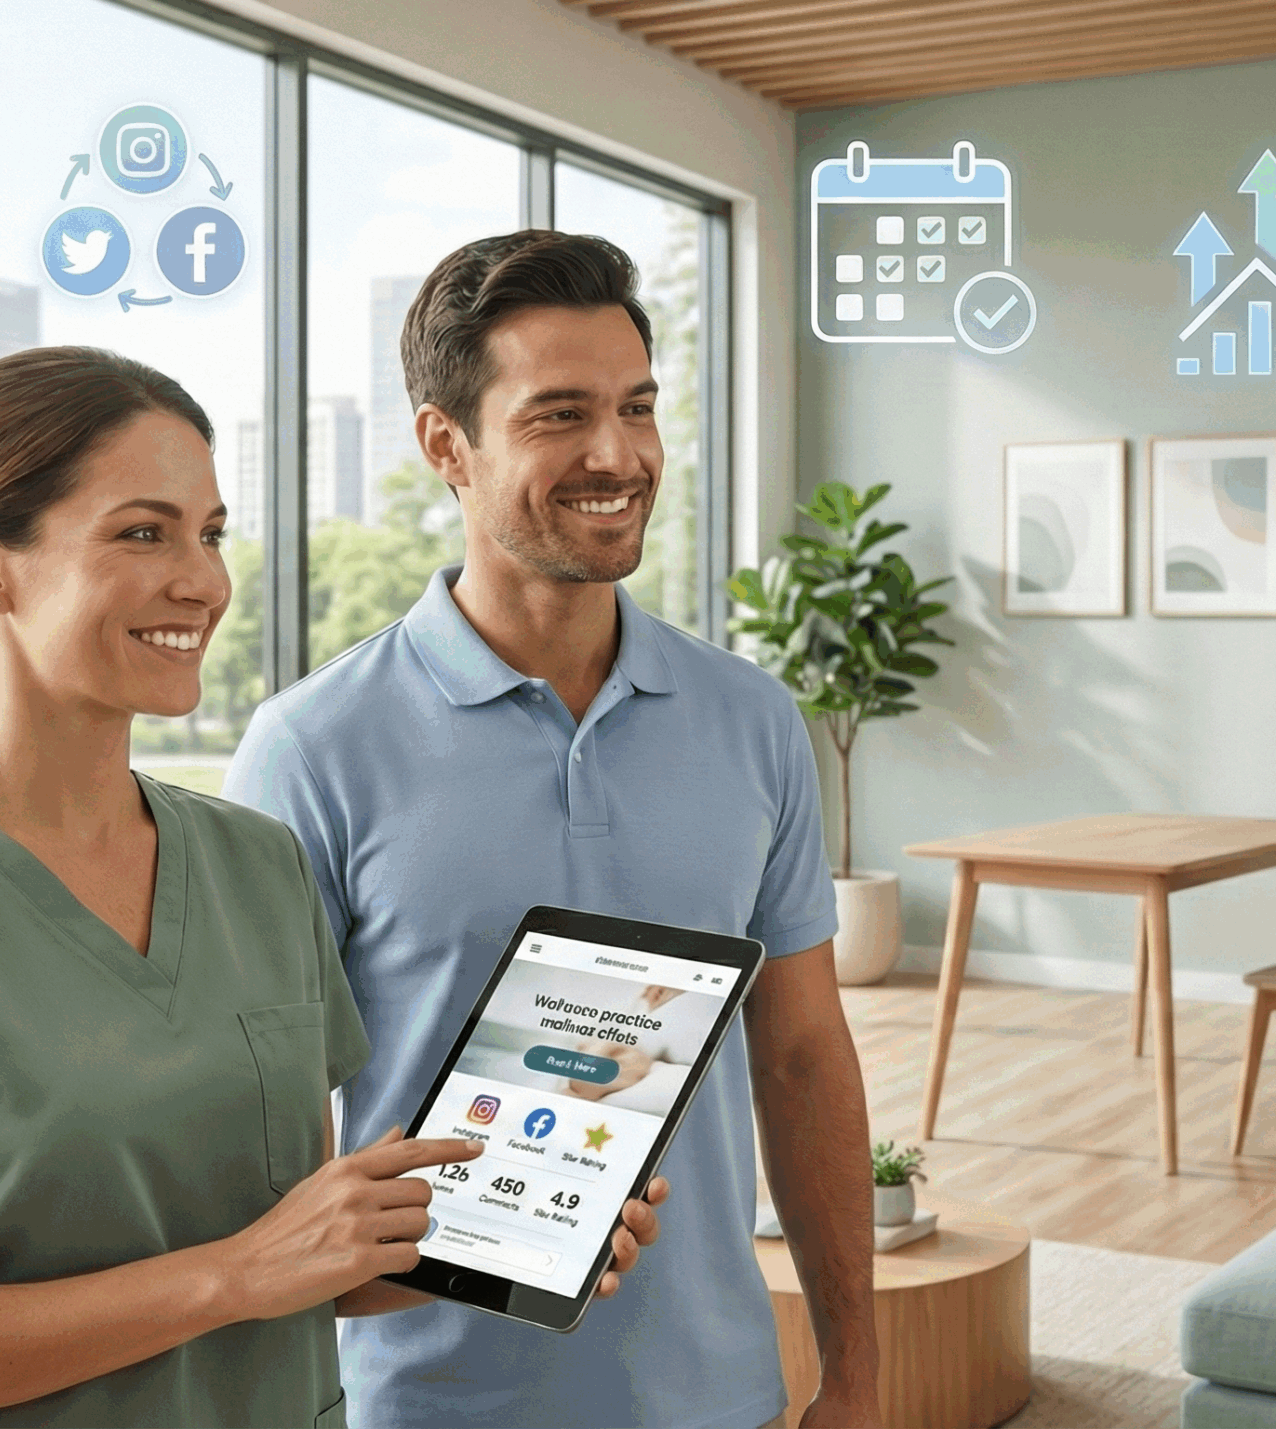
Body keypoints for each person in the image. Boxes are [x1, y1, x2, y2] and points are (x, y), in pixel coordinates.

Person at [0, 346, 665, 1429]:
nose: (202, 580)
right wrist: (233, 1274)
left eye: (209, 534)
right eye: (142, 532)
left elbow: (297, 1255)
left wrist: (513, 1229)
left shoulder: (257, 866)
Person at [226, 230, 879, 1429]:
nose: (617, 455)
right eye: (560, 415)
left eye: (637, 407)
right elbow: (250, 1144)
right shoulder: (312, 746)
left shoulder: (752, 720)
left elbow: (801, 1059)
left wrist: (856, 1377)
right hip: (426, 1405)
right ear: (444, 446)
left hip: (719, 1397)